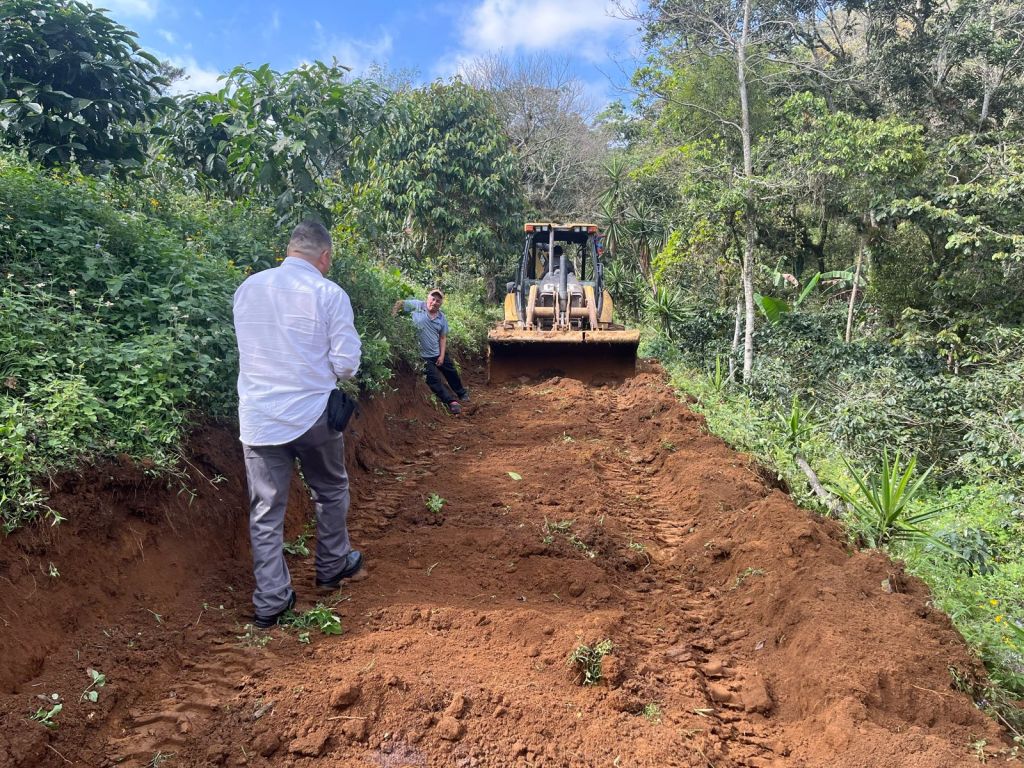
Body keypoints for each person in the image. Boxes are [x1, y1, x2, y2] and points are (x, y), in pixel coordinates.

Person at [233, 220, 364, 629]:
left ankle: (271, 600)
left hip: (259, 418)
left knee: (266, 510)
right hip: (312, 416)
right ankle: (332, 565)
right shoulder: (329, 294)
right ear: (324, 256)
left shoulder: (248, 289)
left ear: (289, 249)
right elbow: (346, 366)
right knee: (330, 489)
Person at [392, 289, 468, 415]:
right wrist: (393, 318)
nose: (435, 302)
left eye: (438, 301)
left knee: (451, 371)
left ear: (441, 304)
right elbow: (399, 303)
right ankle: (451, 402)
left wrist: (442, 356)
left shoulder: (441, 317)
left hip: (437, 353)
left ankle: (462, 393)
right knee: (434, 381)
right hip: (423, 356)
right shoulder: (417, 305)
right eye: (433, 299)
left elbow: (443, 337)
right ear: (428, 298)